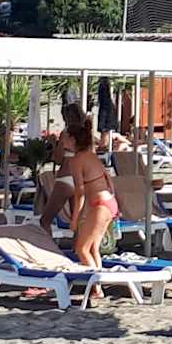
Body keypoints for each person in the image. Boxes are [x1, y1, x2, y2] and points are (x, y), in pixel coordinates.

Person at [62, 111, 115, 266]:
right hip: (108, 202)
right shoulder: (91, 155)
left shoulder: (76, 161)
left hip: (100, 206)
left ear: (72, 139)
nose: (62, 140)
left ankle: (95, 281)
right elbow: (108, 179)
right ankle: (97, 280)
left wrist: (75, 219)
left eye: (64, 137)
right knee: (93, 249)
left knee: (82, 249)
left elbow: (80, 192)